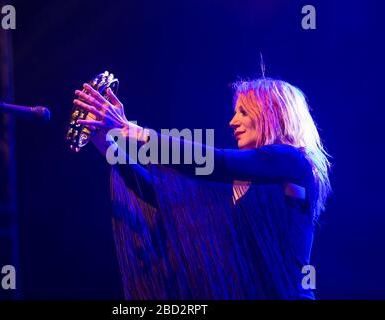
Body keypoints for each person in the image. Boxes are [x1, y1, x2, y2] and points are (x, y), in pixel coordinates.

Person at [72, 77, 332, 299]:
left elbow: (216, 161)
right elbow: (160, 195)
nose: (232, 121)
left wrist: (133, 131)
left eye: (243, 111)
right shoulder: (243, 185)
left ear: (273, 113)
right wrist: (106, 139)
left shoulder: (292, 161)